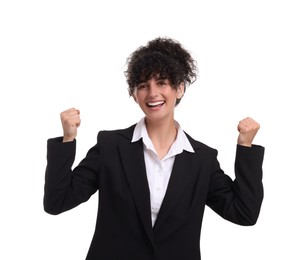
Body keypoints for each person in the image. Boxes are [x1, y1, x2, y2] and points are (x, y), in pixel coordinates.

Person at [44, 37, 265, 260]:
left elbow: (244, 213)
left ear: (179, 89)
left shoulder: (202, 159)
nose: (152, 93)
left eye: (161, 83)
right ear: (134, 95)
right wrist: (68, 139)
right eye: (143, 86)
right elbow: (57, 201)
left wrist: (245, 146)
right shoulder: (110, 146)